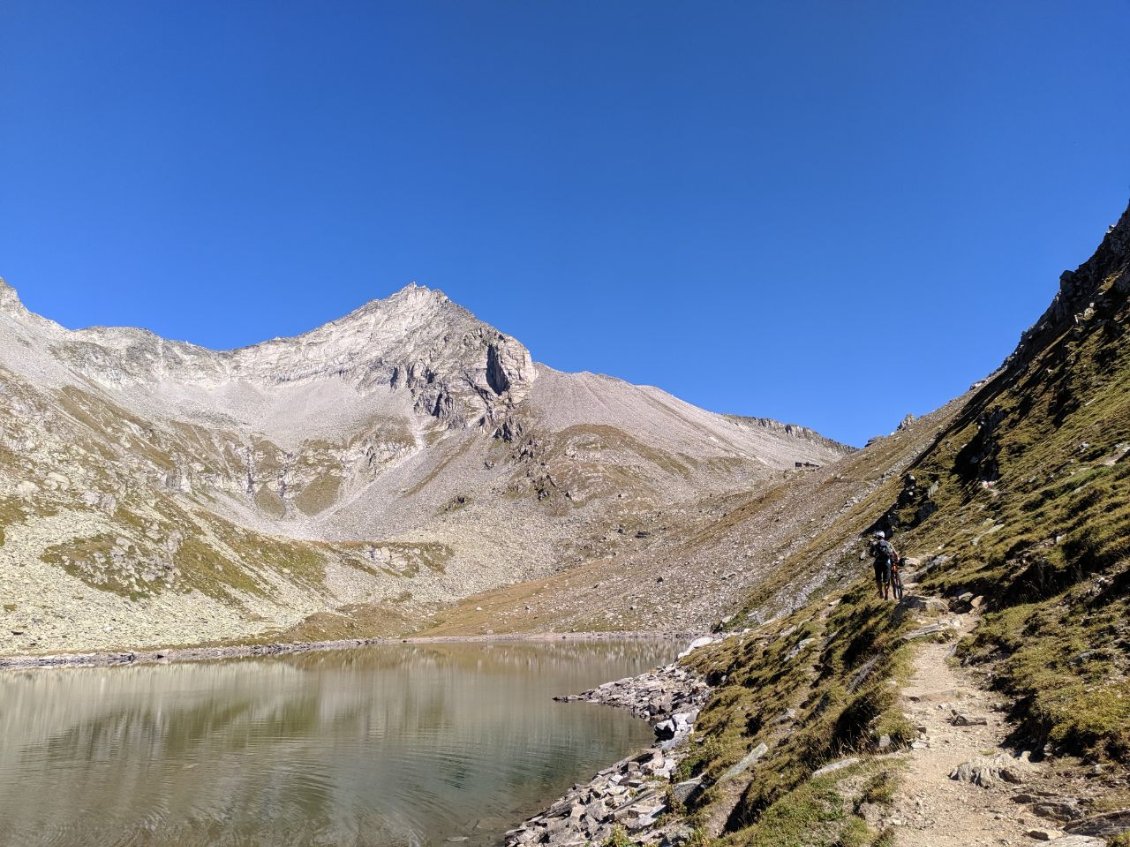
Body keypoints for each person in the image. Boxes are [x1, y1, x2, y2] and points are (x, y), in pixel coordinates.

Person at [870, 531, 899, 600]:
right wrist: (897, 560)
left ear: (877, 537)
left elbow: (870, 554)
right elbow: (895, 554)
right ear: (883, 537)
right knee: (886, 580)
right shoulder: (888, 543)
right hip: (886, 563)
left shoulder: (874, 544)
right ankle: (886, 595)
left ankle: (880, 592)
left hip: (878, 563)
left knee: (878, 579)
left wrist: (875, 555)